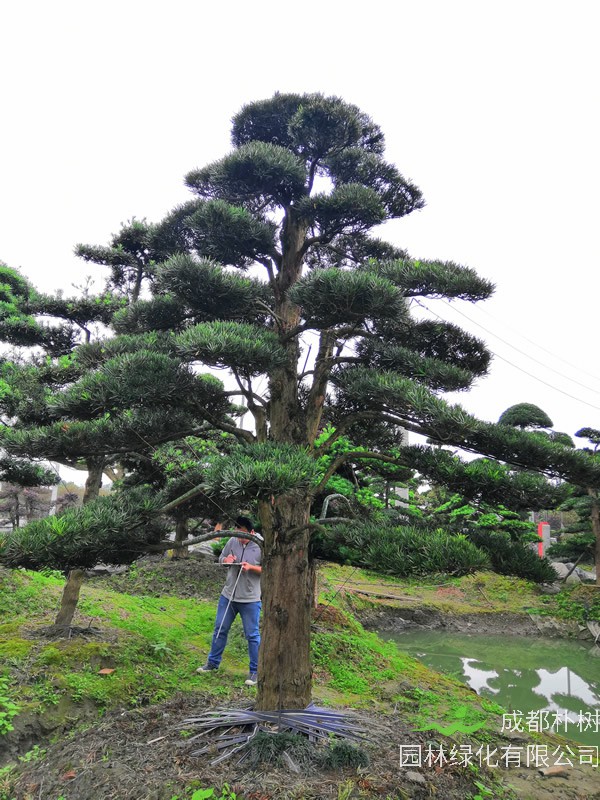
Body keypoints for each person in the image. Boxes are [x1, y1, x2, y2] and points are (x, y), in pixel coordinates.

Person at [197, 516, 262, 686]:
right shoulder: (233, 540)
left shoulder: (261, 544)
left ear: (251, 532)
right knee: (220, 628)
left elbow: (269, 568)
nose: (240, 538)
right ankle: (212, 664)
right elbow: (221, 559)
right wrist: (226, 561)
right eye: (237, 534)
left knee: (252, 635)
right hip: (228, 595)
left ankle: (255, 672)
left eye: (243, 535)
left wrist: (251, 567)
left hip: (250, 599)